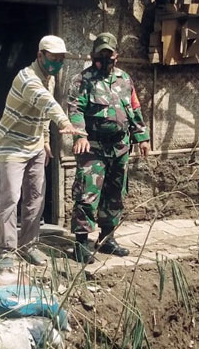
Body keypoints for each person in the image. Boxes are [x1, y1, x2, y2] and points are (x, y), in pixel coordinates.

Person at [0, 35, 85, 270]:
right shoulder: (26, 78)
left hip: (34, 145)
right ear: (40, 56)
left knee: (36, 197)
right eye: (53, 59)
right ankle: (6, 250)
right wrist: (65, 123)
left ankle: (28, 246)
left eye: (60, 59)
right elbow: (47, 103)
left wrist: (45, 139)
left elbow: (43, 114)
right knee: (11, 198)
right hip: (11, 145)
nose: (57, 64)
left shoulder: (50, 78)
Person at [67, 32, 151, 264]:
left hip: (120, 147)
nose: (105, 58)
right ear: (93, 55)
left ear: (116, 55)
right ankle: (81, 243)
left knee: (114, 194)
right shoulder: (82, 80)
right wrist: (80, 135)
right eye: (100, 54)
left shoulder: (125, 79)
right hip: (93, 147)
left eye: (109, 54)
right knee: (87, 193)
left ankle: (107, 239)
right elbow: (75, 110)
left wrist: (142, 137)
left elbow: (134, 108)